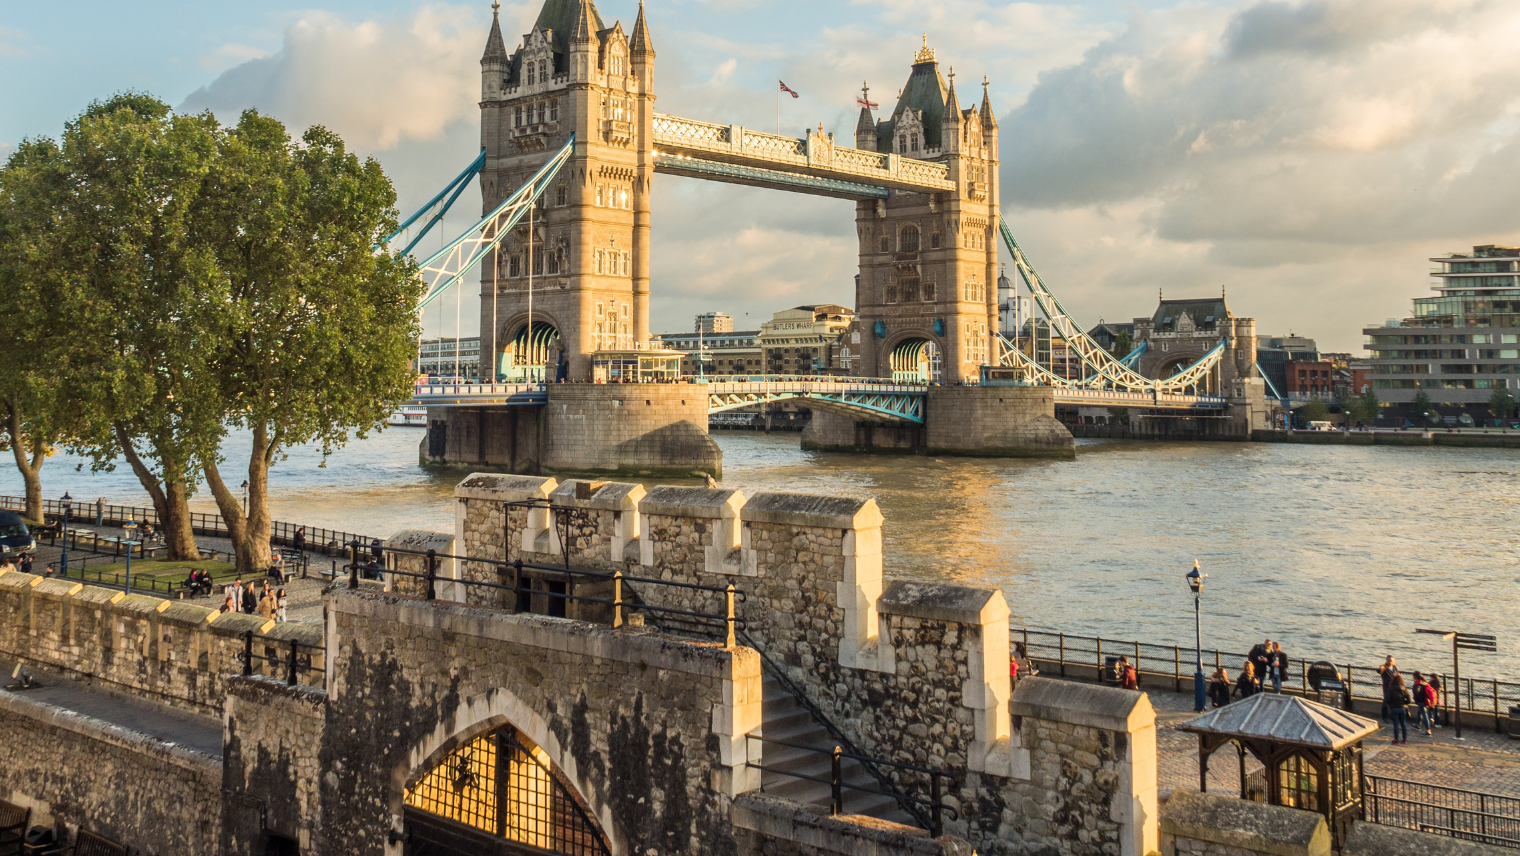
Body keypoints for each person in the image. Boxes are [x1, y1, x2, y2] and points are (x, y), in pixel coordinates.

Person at [1387, 674, 1412, 744]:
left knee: (1396, 724)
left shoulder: (1391, 688)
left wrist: (1390, 704)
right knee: (1403, 724)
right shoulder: (1404, 688)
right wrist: (1404, 703)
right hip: (1402, 708)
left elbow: (1387, 698)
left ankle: (1396, 740)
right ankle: (1404, 739)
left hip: (1394, 708)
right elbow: (1409, 700)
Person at [1412, 672, 1435, 736]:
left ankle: (1428, 730)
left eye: (1413, 676)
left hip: (1421, 701)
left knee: (1424, 715)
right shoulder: (1425, 682)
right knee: (1419, 712)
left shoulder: (1417, 683)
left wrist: (1416, 698)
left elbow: (1416, 692)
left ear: (1415, 677)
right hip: (1425, 700)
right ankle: (1417, 724)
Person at [1378, 656, 1400, 721]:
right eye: (1389, 661)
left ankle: (1393, 716)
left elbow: (1397, 676)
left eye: (1391, 661)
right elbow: (1379, 671)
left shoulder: (1395, 668)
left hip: (1394, 687)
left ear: (1394, 662)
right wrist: (1381, 669)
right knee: (1386, 701)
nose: (1390, 662)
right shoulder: (1385, 667)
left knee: (1394, 701)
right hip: (1387, 687)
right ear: (1386, 661)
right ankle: (1384, 716)